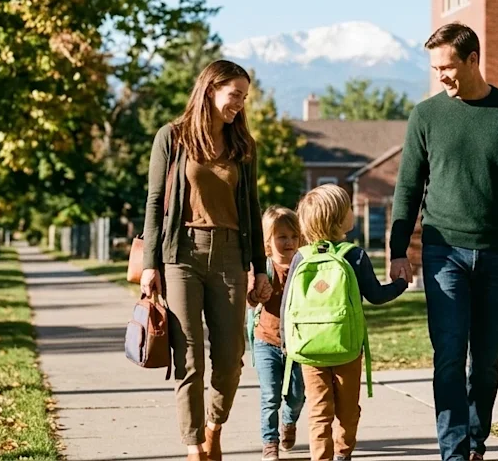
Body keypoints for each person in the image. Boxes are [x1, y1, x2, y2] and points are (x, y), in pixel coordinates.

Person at [388, 23, 498, 461]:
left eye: (448, 67)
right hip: (443, 253)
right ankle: (454, 451)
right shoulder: (425, 116)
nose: (441, 76)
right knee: (448, 355)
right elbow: (408, 187)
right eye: (435, 68)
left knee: (486, 361)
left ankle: (477, 440)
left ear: (473, 59)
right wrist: (398, 249)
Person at [139, 59, 274, 461]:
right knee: (190, 356)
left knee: (231, 356)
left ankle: (214, 427)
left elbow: (251, 206)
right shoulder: (172, 138)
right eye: (235, 95)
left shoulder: (241, 146)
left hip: (231, 254)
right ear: (210, 89)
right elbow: (155, 202)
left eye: (244, 98)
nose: (239, 104)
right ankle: (194, 447)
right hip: (182, 254)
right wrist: (150, 264)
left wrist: (259, 268)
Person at [282, 184, 408, 461]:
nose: (353, 212)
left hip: (309, 349)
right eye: (349, 208)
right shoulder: (356, 255)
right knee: (348, 410)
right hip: (346, 347)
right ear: (338, 218)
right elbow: (375, 295)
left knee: (318, 411)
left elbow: (288, 304)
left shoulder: (301, 257)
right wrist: (400, 285)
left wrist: (286, 340)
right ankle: (342, 453)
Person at [249, 206, 307, 461]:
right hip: (266, 341)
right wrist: (254, 295)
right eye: (282, 236)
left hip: (298, 343)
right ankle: (269, 442)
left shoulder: (304, 265)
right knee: (270, 394)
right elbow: (249, 300)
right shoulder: (262, 268)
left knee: (297, 394)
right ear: (268, 241)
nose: (289, 242)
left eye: (294, 236)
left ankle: (289, 421)